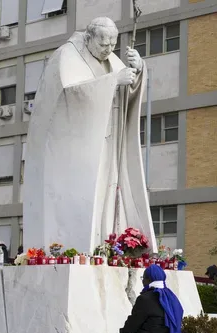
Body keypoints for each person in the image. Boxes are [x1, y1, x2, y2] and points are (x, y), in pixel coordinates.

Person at [24, 16, 157, 254]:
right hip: (78, 152)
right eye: (103, 44)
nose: (108, 49)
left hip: (109, 145)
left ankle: (108, 247)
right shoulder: (66, 56)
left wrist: (138, 71)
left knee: (109, 198)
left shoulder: (112, 60)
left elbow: (126, 95)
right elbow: (68, 96)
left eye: (112, 44)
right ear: (88, 38)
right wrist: (113, 81)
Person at [117, 265, 184, 333]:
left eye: (143, 278)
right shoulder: (171, 297)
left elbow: (133, 324)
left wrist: (123, 332)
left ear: (149, 279)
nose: (142, 281)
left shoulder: (144, 298)